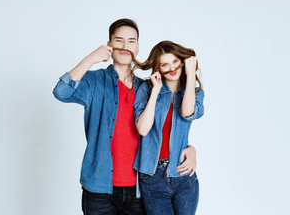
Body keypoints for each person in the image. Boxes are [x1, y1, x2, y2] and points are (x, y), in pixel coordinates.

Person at [53, 19, 198, 215]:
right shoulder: (95, 82)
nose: (125, 46)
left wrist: (190, 148)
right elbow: (61, 92)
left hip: (139, 189)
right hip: (99, 188)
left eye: (131, 41)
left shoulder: (147, 88)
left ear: (137, 47)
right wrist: (91, 59)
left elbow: (170, 126)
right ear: (110, 45)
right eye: (119, 40)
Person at [133, 40, 205, 215]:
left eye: (175, 61)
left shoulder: (195, 92)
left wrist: (189, 75)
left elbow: (187, 112)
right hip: (152, 176)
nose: (171, 68)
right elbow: (142, 129)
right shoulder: (146, 90)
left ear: (182, 61)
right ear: (158, 68)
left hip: (183, 175)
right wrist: (156, 90)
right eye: (164, 64)